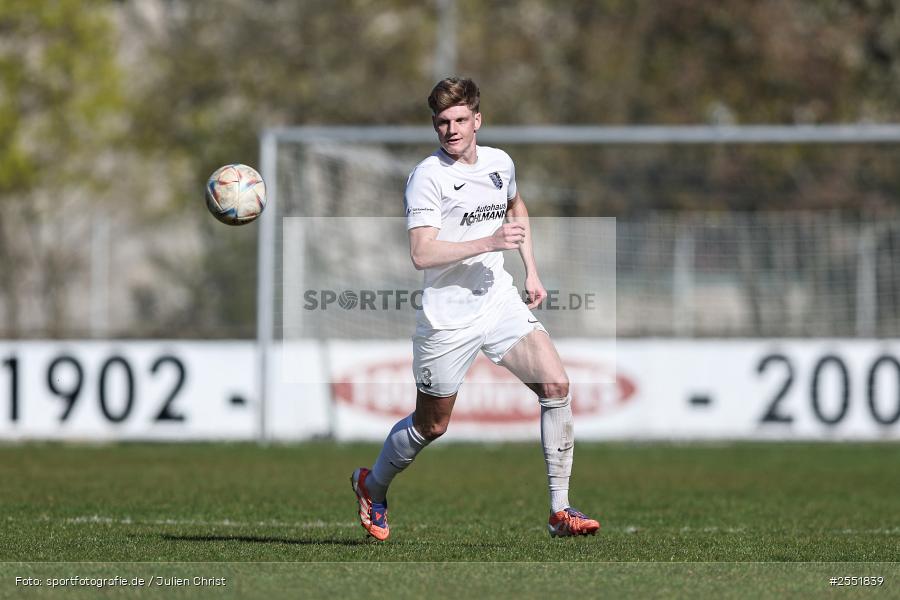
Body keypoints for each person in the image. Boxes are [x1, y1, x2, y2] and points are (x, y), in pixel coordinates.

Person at [351, 77, 600, 541]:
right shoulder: (428, 177)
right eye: (442, 122)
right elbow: (421, 253)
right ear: (435, 125)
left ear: (477, 120)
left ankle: (560, 510)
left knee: (556, 384)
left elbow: (516, 207)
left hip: (497, 300)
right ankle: (373, 484)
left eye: (460, 119)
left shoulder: (500, 163)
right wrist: (489, 241)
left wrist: (531, 270)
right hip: (447, 317)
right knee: (431, 425)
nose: (451, 129)